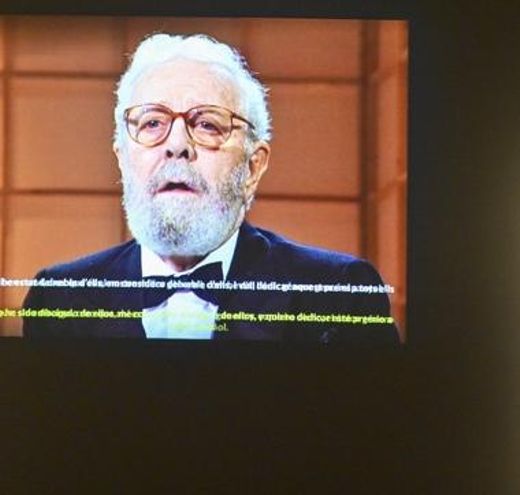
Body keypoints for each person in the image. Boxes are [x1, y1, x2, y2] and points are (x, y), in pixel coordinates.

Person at [21, 33, 399, 346]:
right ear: (122, 159)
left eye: (207, 125)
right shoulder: (57, 298)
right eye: (152, 123)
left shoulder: (337, 291)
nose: (177, 145)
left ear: (253, 166)